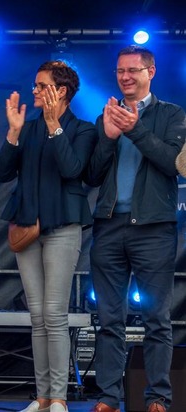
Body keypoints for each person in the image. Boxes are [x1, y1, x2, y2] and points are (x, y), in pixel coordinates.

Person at [85, 45, 186, 412]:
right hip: (109, 226)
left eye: (133, 70)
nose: (125, 77)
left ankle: (157, 396)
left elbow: (172, 163)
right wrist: (109, 138)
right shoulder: (106, 117)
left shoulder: (172, 114)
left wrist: (136, 129)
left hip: (153, 229)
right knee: (110, 319)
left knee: (157, 319)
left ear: (151, 72)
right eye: (120, 71)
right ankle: (109, 397)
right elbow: (93, 175)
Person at [0, 61, 97, 412]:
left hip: (63, 227)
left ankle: (59, 399)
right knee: (37, 316)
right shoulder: (27, 127)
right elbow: (1, 172)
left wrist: (54, 126)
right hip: (27, 227)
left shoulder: (82, 130)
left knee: (54, 314)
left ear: (61, 91)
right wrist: (13, 133)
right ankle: (42, 398)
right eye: (35, 85)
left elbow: (72, 170)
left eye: (41, 86)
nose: (34, 91)